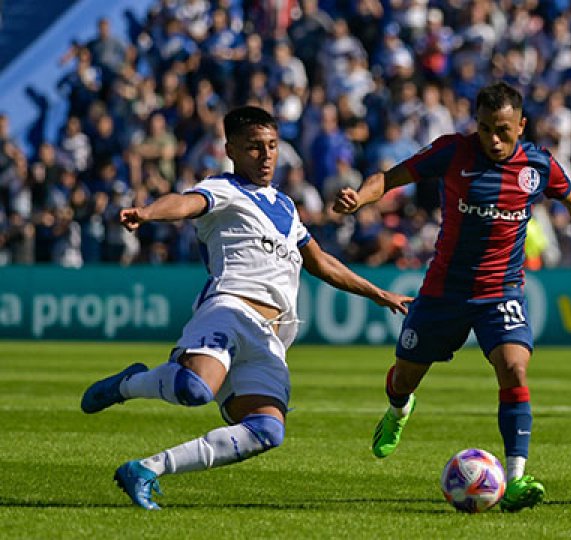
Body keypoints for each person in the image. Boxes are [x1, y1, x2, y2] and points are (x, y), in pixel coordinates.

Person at [80, 106, 412, 510]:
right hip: (229, 308)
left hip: (272, 337)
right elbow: (185, 204)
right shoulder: (223, 189)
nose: (266, 155)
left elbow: (321, 263)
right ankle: (128, 385)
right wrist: (148, 213)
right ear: (231, 150)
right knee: (194, 388)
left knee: (267, 430)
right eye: (254, 147)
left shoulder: (288, 207)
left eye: (272, 146)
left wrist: (380, 293)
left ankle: (146, 469)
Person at [333, 82, 571, 512]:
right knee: (404, 378)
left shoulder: (538, 166)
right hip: (443, 291)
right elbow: (392, 177)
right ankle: (397, 411)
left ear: (521, 126)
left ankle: (518, 477)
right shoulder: (453, 151)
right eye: (485, 129)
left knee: (514, 368)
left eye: (503, 130)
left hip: (501, 291)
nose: (494, 139)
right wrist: (360, 197)